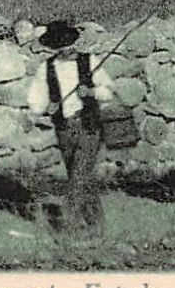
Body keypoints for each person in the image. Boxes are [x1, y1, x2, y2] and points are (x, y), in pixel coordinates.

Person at [26, 20, 114, 232]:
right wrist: (46, 107)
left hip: (88, 126)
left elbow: (108, 92)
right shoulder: (45, 68)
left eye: (69, 43)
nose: (67, 48)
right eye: (61, 45)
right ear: (54, 47)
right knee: (81, 176)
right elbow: (35, 100)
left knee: (79, 174)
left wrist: (92, 93)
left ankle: (69, 225)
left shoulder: (90, 62)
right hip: (63, 128)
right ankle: (97, 225)